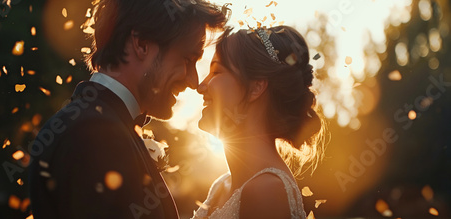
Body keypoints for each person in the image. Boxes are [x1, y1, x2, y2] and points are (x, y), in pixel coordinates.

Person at [28, 0, 227, 218]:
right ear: (141, 44)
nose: (192, 80)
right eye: (188, 60)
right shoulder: (94, 135)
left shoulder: (92, 123)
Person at [192, 26, 326, 219]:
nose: (201, 86)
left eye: (217, 72)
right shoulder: (221, 186)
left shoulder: (267, 191)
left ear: (256, 87)